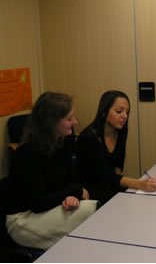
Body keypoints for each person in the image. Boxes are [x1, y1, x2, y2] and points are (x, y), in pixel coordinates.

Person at [6, 92, 98, 250]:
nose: (75, 122)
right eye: (69, 119)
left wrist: (70, 196)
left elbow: (68, 182)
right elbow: (37, 203)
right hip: (25, 219)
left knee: (91, 213)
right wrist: (73, 191)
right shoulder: (27, 153)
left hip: (50, 208)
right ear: (51, 122)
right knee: (93, 210)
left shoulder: (63, 143)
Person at [77, 90, 156, 205]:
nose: (124, 116)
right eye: (119, 111)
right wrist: (140, 184)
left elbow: (118, 165)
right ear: (104, 112)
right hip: (91, 193)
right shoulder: (88, 138)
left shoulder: (120, 131)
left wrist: (119, 180)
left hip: (111, 186)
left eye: (127, 112)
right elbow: (106, 175)